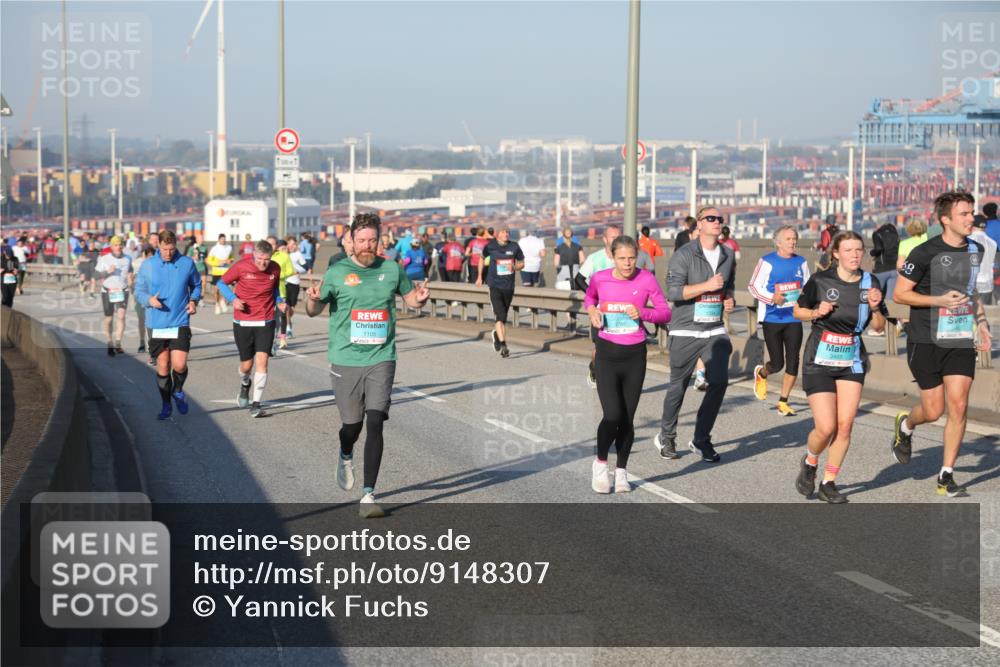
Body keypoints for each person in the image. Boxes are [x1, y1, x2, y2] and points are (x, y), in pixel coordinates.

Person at [304, 212, 430, 518]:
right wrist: (311, 298)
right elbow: (312, 310)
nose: (367, 245)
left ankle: (368, 495)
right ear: (352, 240)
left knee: (375, 421)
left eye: (373, 240)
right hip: (345, 358)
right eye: (361, 240)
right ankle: (345, 451)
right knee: (352, 426)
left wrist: (420, 299)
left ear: (380, 240)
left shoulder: (391, 268)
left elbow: (411, 299)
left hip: (381, 357)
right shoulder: (337, 272)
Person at [892, 192, 992, 498]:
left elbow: (971, 293)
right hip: (926, 338)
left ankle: (946, 475)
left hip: (960, 337)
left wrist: (983, 324)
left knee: (959, 405)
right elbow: (899, 295)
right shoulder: (923, 253)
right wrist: (937, 300)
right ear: (945, 219)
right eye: (963, 213)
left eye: (972, 212)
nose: (970, 218)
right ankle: (906, 425)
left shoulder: (976, 250)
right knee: (933, 410)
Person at [790, 231, 887, 503]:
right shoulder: (820, 281)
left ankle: (829, 482)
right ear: (836, 254)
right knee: (826, 427)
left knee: (845, 427)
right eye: (848, 250)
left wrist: (876, 308)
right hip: (819, 358)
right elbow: (797, 311)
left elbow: (879, 327)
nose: (855, 255)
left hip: (852, 358)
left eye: (859, 249)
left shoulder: (871, 282)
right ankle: (810, 462)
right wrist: (815, 312)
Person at [585, 235, 671, 493]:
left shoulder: (646, 279)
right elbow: (590, 298)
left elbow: (665, 312)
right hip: (607, 354)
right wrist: (591, 310)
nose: (627, 263)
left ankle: (621, 471)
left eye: (632, 258)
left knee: (628, 419)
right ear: (612, 256)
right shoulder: (600, 277)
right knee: (612, 415)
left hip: (634, 355)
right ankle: (600, 464)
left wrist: (642, 312)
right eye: (621, 258)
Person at [654, 206, 736, 462]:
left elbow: (728, 285)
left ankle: (701, 439)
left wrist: (728, 299)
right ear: (698, 225)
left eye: (719, 219)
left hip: (714, 329)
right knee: (678, 385)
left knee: (720, 381)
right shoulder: (684, 255)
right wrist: (707, 286)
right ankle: (666, 436)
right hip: (686, 328)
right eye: (710, 218)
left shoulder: (728, 254)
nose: (716, 222)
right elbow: (674, 293)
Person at [134, 230, 202, 420]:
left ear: (176, 246)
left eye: (172, 249)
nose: (168, 253)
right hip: (156, 323)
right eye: (165, 249)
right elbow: (138, 291)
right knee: (163, 367)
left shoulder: (186, 263)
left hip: (179, 320)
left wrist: (194, 301)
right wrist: (148, 300)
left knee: (179, 365)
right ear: (159, 246)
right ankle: (166, 404)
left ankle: (178, 391)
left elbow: (196, 285)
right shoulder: (148, 266)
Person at [217, 240, 287, 418]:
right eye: (260, 259)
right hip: (243, 322)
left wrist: (279, 301)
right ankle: (245, 383)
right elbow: (221, 283)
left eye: (267, 259)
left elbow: (275, 290)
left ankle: (256, 404)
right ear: (254, 255)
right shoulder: (241, 267)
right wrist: (233, 299)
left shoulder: (275, 268)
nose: (263, 263)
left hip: (265, 320)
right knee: (246, 366)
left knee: (262, 361)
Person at [749, 225, 810, 416]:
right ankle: (762, 373)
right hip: (772, 317)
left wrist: (804, 295)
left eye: (794, 239)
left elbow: (808, 286)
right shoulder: (767, 261)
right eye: (789, 239)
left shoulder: (801, 262)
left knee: (793, 361)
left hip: (793, 317)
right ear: (778, 242)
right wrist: (770, 298)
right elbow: (753, 286)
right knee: (777, 364)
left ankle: (783, 402)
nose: (793, 242)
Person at [579, 225, 621, 385]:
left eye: (618, 236)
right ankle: (594, 367)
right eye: (612, 237)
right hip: (599, 311)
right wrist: (594, 295)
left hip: (619, 311)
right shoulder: (595, 258)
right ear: (604, 239)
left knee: (618, 348)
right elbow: (579, 279)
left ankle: (614, 379)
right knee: (600, 347)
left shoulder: (624, 258)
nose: (616, 239)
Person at [477, 224, 525, 358]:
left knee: (503, 317)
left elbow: (522, 263)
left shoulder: (514, 246)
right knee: (500, 316)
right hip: (494, 285)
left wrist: (515, 267)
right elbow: (481, 258)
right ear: (498, 234)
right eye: (503, 232)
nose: (506, 234)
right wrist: (479, 276)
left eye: (508, 232)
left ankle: (496, 335)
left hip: (509, 286)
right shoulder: (490, 246)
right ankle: (504, 345)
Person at [94, 236, 134, 356]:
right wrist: (107, 272)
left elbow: (130, 270)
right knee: (109, 319)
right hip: (107, 291)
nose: (118, 247)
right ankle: (109, 341)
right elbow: (95, 275)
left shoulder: (128, 258)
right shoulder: (104, 258)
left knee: (121, 316)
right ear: (111, 247)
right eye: (116, 245)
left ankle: (118, 343)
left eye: (120, 245)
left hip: (122, 290)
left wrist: (131, 279)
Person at [271, 239, 297, 349]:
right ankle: (271, 340)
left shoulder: (284, 256)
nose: (270, 246)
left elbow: (291, 271)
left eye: (272, 243)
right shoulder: (265, 257)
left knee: (282, 314)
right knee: (271, 317)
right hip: (266, 291)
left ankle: (282, 339)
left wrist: (278, 275)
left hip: (280, 290)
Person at [132, 245, 155, 359]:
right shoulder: (137, 263)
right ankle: (142, 341)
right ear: (144, 256)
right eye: (149, 256)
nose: (151, 258)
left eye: (153, 256)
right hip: (141, 296)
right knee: (142, 319)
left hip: (153, 296)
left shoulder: (157, 265)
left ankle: (153, 344)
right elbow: (132, 279)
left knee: (152, 320)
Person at [284, 236, 307, 337]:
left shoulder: (298, 255)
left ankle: (287, 320)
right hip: (284, 282)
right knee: (286, 307)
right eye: (290, 244)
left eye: (294, 244)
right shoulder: (283, 254)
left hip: (295, 283)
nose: (292, 246)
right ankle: (288, 328)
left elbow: (305, 268)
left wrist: (297, 270)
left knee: (292, 308)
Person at [971, 214, 997, 305]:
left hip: (970, 284)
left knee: (970, 315)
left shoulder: (967, 240)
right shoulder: (993, 243)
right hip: (987, 283)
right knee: (985, 314)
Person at [207, 233, 233, 315]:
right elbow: (208, 260)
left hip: (225, 271)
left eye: (224, 239)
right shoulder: (214, 249)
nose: (223, 240)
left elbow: (231, 258)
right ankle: (217, 303)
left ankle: (222, 302)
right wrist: (218, 263)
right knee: (217, 290)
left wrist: (230, 260)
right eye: (222, 239)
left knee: (224, 288)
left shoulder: (229, 248)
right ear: (219, 240)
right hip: (216, 271)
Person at [554, 225, 585, 290]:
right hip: (575, 271)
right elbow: (582, 259)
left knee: (561, 288)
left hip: (564, 272)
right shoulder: (577, 244)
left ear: (563, 234)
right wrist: (576, 263)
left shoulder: (559, 244)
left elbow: (556, 263)